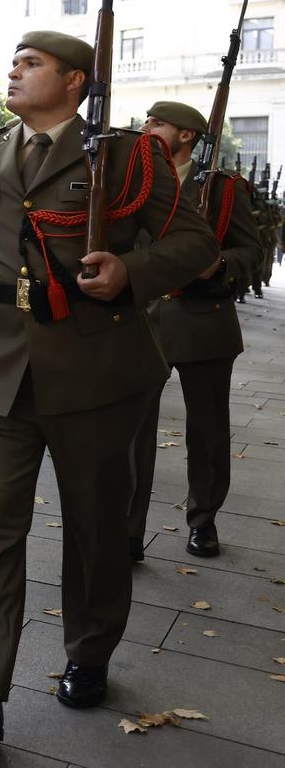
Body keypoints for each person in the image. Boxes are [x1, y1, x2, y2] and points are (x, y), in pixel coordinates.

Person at [0, 31, 217, 739]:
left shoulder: (125, 158)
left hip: (94, 368)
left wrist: (129, 272)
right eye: (14, 60)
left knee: (93, 526)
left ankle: (89, 650)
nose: (14, 70)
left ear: (76, 82)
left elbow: (195, 241)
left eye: (32, 64)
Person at [128, 101, 262, 561]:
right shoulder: (132, 179)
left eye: (157, 123)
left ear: (186, 135)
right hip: (142, 321)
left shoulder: (224, 190)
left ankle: (203, 521)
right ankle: (129, 529)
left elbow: (252, 250)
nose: (145, 128)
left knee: (207, 432)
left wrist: (221, 265)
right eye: (146, 120)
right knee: (132, 432)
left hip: (203, 321)